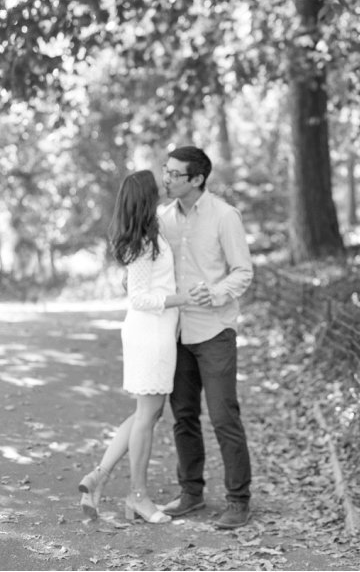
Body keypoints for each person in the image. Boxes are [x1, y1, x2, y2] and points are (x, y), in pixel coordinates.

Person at [78, 170, 195, 524]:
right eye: (155, 186)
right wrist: (182, 299)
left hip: (155, 331)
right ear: (145, 197)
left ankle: (99, 476)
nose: (162, 186)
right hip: (151, 333)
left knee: (149, 411)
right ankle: (138, 496)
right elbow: (139, 297)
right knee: (148, 415)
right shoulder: (143, 242)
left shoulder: (148, 233)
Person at [158, 145, 253, 529]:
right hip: (175, 333)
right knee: (183, 416)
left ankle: (238, 500)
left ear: (197, 179)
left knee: (223, 415)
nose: (166, 178)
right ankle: (191, 492)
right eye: (166, 171)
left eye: (174, 174)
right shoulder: (163, 218)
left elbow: (242, 272)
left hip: (214, 330)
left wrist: (213, 293)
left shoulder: (224, 217)